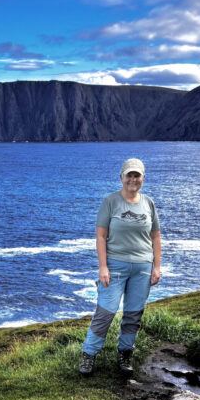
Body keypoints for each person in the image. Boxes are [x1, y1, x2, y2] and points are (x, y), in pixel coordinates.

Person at [79, 158, 162, 377]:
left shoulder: (149, 203)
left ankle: (125, 353)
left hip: (143, 267)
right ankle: (89, 354)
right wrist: (103, 267)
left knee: (133, 314)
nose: (132, 180)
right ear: (121, 178)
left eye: (137, 176)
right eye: (129, 175)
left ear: (143, 178)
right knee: (105, 313)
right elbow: (101, 235)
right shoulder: (111, 202)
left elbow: (155, 237)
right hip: (115, 266)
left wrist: (157, 267)